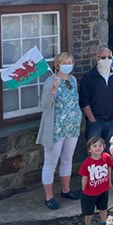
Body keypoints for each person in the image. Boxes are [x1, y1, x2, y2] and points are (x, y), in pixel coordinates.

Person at [36, 52, 83, 210]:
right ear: (57, 65)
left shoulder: (73, 80)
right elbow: (44, 104)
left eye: (70, 62)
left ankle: (66, 190)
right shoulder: (51, 81)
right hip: (56, 129)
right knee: (50, 163)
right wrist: (53, 90)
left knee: (67, 159)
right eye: (64, 62)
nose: (68, 65)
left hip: (72, 128)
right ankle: (49, 196)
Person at [79, 47, 113, 147]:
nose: (107, 60)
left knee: (111, 149)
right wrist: (92, 119)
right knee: (93, 149)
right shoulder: (89, 77)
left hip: (112, 120)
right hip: (95, 122)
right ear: (97, 58)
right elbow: (84, 100)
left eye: (109, 57)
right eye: (104, 57)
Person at [79, 136, 112, 225]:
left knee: (103, 207)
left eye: (100, 145)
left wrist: (109, 182)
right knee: (88, 211)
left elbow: (109, 169)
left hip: (103, 188)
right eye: (95, 146)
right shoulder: (87, 163)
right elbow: (84, 178)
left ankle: (103, 224)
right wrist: (84, 189)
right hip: (90, 191)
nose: (98, 148)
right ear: (89, 149)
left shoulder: (107, 157)